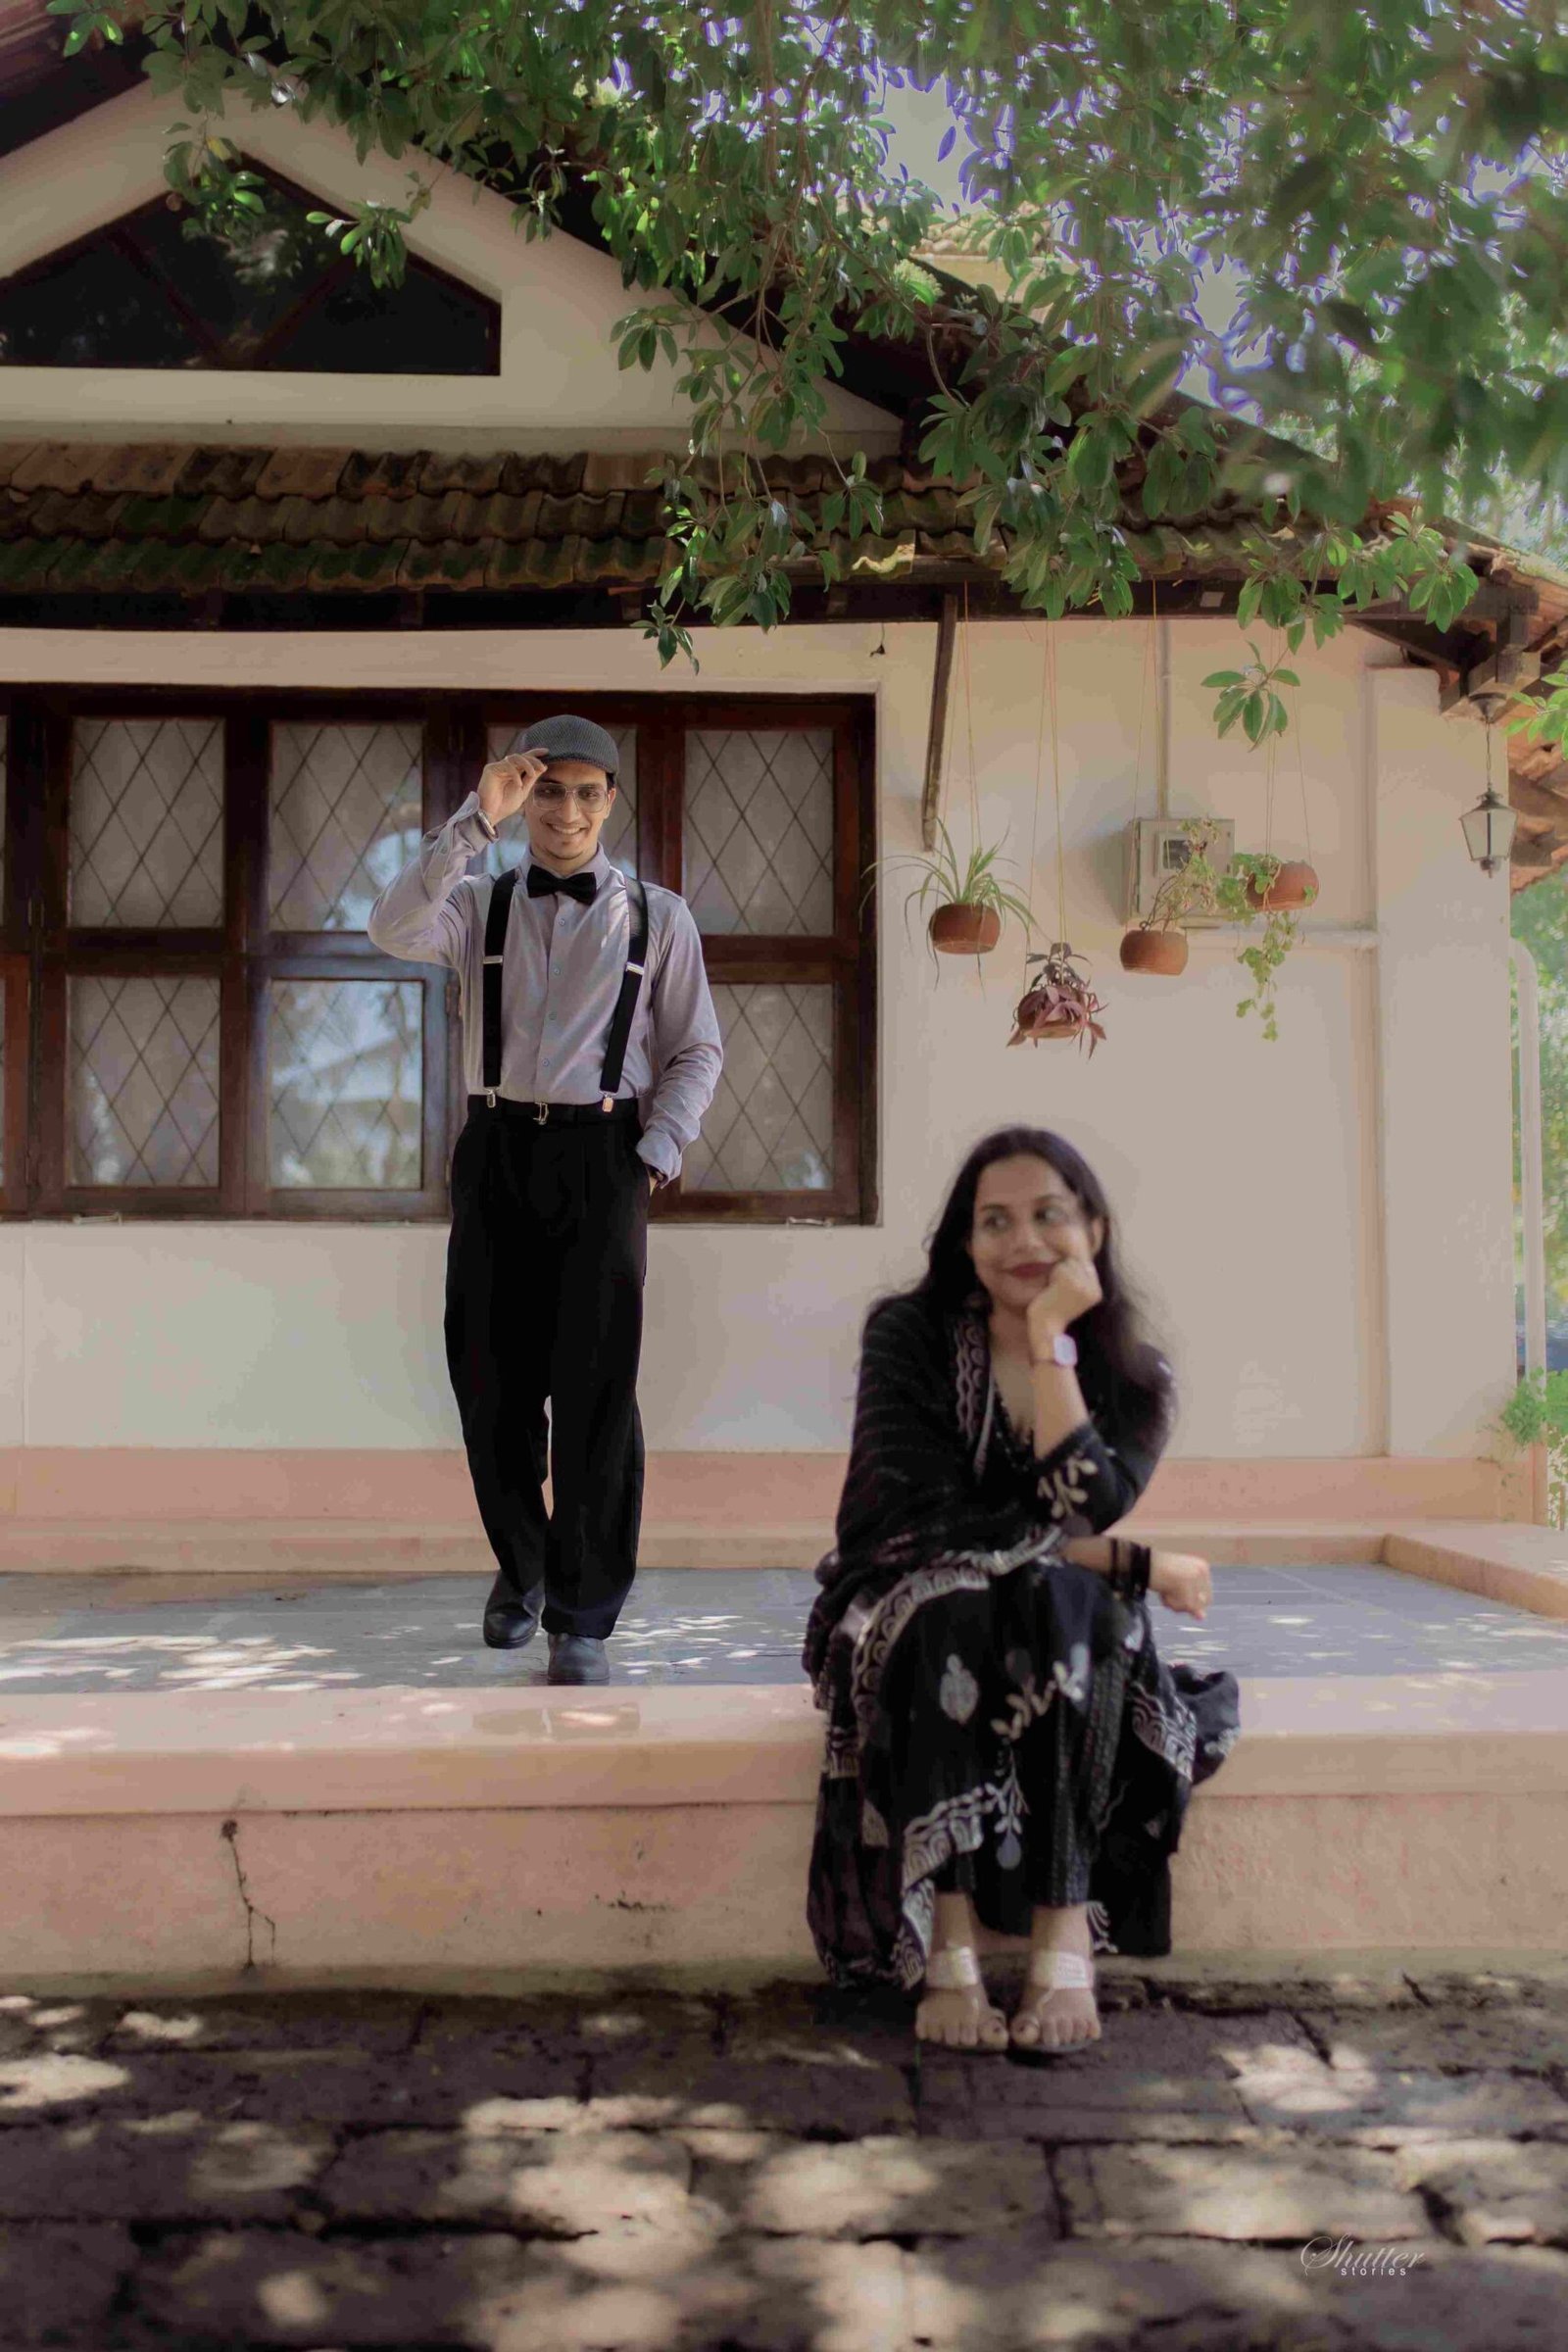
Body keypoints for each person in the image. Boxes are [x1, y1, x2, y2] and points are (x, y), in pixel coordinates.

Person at [803, 1126, 1239, 2052]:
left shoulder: (1135, 1380)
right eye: (994, 1221)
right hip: (904, 1597)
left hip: (1046, 1616)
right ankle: (949, 1937)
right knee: (960, 1606)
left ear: (1095, 1230)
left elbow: (1081, 1511)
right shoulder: (908, 1336)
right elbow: (914, 1522)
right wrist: (1140, 1564)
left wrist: (1049, 1343)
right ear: (966, 1244)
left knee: (1083, 1612)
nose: (1023, 1241)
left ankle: (1062, 1930)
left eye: (1048, 1215)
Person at [368, 716, 722, 1686]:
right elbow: (389, 927)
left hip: (604, 1155)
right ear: (524, 795)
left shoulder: (658, 918)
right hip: (495, 1150)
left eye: (585, 793)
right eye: (548, 790)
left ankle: (581, 1616)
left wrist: (654, 1153)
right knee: (489, 1381)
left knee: (597, 1389)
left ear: (611, 801)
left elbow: (696, 1048)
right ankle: (523, 1565)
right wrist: (475, 821)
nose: (567, 812)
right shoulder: (475, 902)